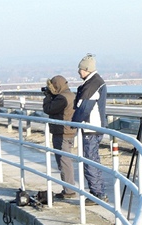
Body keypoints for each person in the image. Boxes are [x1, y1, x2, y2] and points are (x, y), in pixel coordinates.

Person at [71, 53, 108, 206]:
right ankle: (98, 192)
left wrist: (74, 123)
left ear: (85, 69)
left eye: (80, 69)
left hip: (90, 128)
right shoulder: (94, 82)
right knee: (92, 159)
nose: (78, 72)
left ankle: (97, 193)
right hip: (93, 128)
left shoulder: (92, 84)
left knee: (90, 161)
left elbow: (84, 108)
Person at [42, 75, 77, 199]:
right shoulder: (71, 95)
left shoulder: (61, 98)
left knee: (64, 161)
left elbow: (48, 109)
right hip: (69, 131)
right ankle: (68, 188)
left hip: (62, 132)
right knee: (65, 160)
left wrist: (48, 96)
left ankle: (69, 190)